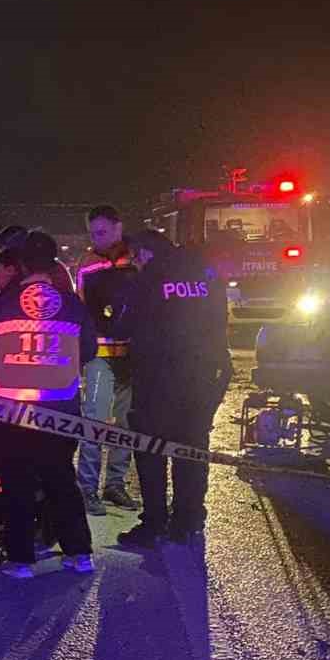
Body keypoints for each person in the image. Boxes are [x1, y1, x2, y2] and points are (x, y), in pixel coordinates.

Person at [0, 231, 95, 579]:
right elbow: (89, 350)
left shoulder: (5, 302)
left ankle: (21, 559)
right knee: (61, 478)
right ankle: (79, 554)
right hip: (59, 409)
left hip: (13, 410)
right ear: (54, 262)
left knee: (17, 482)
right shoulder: (71, 303)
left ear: (23, 264)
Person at [115, 228, 231, 549]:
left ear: (145, 253)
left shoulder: (148, 279)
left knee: (152, 452)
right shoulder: (204, 272)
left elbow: (123, 325)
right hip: (201, 380)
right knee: (192, 451)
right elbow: (220, 323)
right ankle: (188, 520)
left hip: (156, 383)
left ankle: (154, 523)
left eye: (135, 256)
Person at [74, 205, 140, 515]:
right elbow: (83, 311)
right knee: (94, 423)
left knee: (125, 424)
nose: (97, 239)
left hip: (131, 355)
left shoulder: (138, 260)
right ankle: (87, 489)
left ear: (118, 227)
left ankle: (115, 484)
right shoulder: (88, 267)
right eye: (92, 234)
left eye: (101, 232)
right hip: (100, 354)